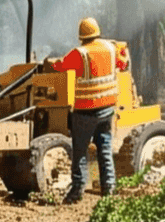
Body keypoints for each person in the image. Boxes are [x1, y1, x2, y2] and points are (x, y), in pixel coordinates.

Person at [51, 17, 129, 204]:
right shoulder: (111, 48)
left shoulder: (80, 53)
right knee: (104, 150)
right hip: (107, 110)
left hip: (85, 112)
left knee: (80, 152)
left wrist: (53, 62)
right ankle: (109, 189)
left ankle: (77, 191)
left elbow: (60, 66)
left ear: (81, 36)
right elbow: (123, 65)